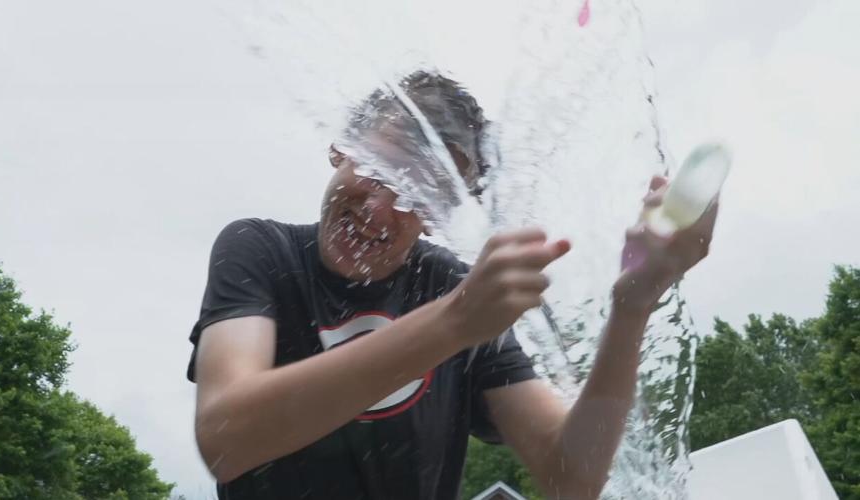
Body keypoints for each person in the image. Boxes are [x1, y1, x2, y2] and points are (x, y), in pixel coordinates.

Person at [187, 71, 718, 500]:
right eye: (378, 168)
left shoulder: (452, 285)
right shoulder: (260, 250)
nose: (380, 209)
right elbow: (227, 438)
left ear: (441, 214)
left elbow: (572, 477)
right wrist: (454, 323)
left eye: (417, 192)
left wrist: (633, 306)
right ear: (341, 147)